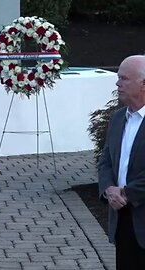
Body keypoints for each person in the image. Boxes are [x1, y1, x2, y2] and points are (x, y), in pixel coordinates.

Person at [98, 55, 145, 269]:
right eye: (118, 78)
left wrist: (126, 193)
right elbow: (106, 160)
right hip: (122, 219)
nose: (118, 84)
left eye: (124, 78)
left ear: (143, 84)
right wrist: (108, 189)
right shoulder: (118, 118)